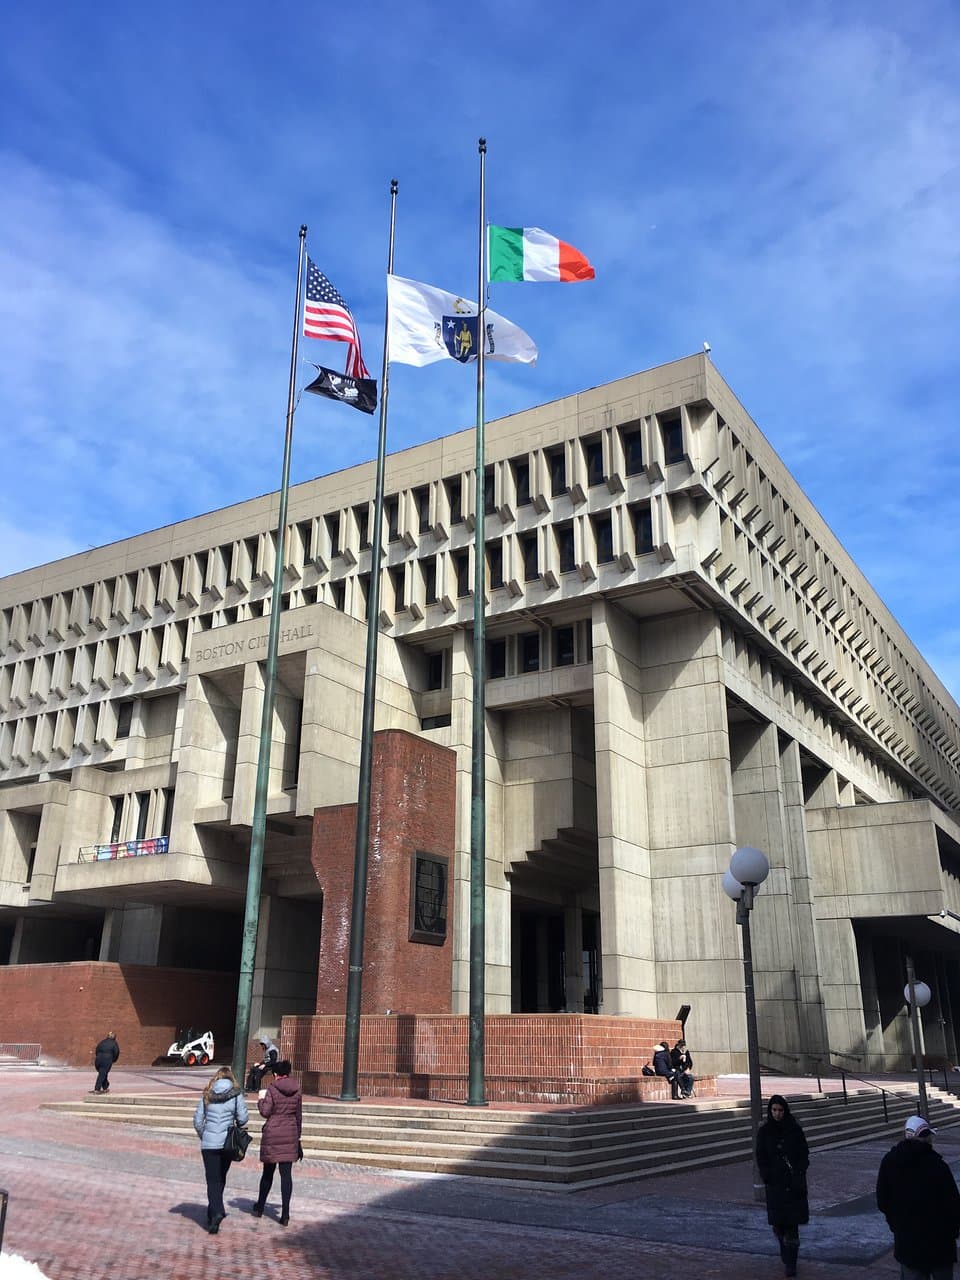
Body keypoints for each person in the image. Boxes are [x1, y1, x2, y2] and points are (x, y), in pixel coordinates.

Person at [876, 1113, 960, 1280]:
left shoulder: (890, 1161)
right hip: (939, 1242)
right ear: (925, 1137)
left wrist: (895, 1223)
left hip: (907, 1240)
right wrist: (953, 1230)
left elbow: (882, 1199)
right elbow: (953, 1202)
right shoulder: (937, 1165)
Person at [756, 1094, 809, 1278]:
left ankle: (791, 1262)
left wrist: (800, 1171)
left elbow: (804, 1153)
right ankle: (782, 1244)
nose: (777, 1114)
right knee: (779, 1224)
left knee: (792, 1225)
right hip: (775, 1185)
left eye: (780, 1110)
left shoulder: (794, 1129)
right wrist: (767, 1175)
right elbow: (761, 1156)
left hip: (792, 1183)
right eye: (774, 1110)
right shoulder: (765, 1132)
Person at [193, 1066, 248, 1234]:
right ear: (231, 1079)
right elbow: (243, 1118)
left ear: (216, 1079)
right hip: (226, 1143)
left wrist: (205, 1135)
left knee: (212, 1180)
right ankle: (216, 1212)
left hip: (209, 1144)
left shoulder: (207, 1094)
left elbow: (197, 1120)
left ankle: (214, 1212)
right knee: (220, 1178)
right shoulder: (236, 1094)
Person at [252, 1059, 302, 1227]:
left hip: (273, 1133)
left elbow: (266, 1112)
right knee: (286, 1175)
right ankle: (285, 1214)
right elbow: (298, 1116)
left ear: (275, 1074)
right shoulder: (297, 1089)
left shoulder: (272, 1089)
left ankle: (259, 1207)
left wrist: (260, 1100)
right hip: (290, 1132)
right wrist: (297, 1137)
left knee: (268, 1173)